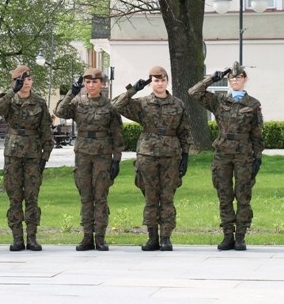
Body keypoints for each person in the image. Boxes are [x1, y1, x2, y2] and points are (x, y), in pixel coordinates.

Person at [112, 66, 192, 251]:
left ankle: (166, 237)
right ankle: (152, 237)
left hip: (171, 156)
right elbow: (116, 105)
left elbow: (185, 131)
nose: (160, 83)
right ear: (151, 83)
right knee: (150, 197)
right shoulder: (142, 103)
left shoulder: (178, 104)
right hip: (147, 155)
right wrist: (133, 90)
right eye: (155, 80)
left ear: (167, 81)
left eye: (162, 80)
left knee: (167, 198)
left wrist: (185, 156)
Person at [188, 62, 263, 251]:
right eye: (232, 78)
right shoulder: (219, 101)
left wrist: (258, 157)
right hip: (223, 154)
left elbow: (257, 134)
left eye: (239, 77)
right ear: (228, 80)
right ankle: (228, 235)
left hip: (244, 155)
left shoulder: (253, 104)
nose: (235, 80)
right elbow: (194, 92)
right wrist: (213, 78)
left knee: (243, 195)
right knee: (224, 195)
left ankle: (240, 236)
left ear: (245, 79)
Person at [54, 68, 125, 251]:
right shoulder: (77, 102)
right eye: (88, 82)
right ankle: (87, 236)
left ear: (102, 83)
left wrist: (116, 160)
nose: (91, 85)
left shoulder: (109, 106)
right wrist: (72, 91)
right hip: (83, 154)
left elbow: (117, 135)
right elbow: (60, 112)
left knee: (100, 196)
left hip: (102, 154)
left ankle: (100, 237)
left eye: (95, 82)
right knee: (85, 196)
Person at [0, 65, 53, 251]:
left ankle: (32, 237)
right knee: (14, 197)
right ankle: (17, 237)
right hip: (13, 155)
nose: (27, 82)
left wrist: (45, 156)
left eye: (28, 79)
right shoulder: (8, 100)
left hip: (33, 154)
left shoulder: (39, 102)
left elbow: (46, 132)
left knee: (32, 197)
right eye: (22, 80)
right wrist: (13, 91)